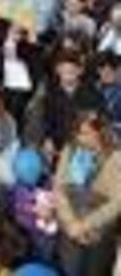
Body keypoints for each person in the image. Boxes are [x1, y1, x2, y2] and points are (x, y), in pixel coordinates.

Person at [53, 111, 121, 276]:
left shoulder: (114, 157)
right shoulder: (71, 150)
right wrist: (71, 224)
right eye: (78, 133)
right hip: (71, 220)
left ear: (100, 132)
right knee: (70, 269)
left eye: (86, 133)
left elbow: (117, 202)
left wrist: (86, 225)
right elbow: (59, 187)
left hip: (98, 225)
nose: (80, 139)